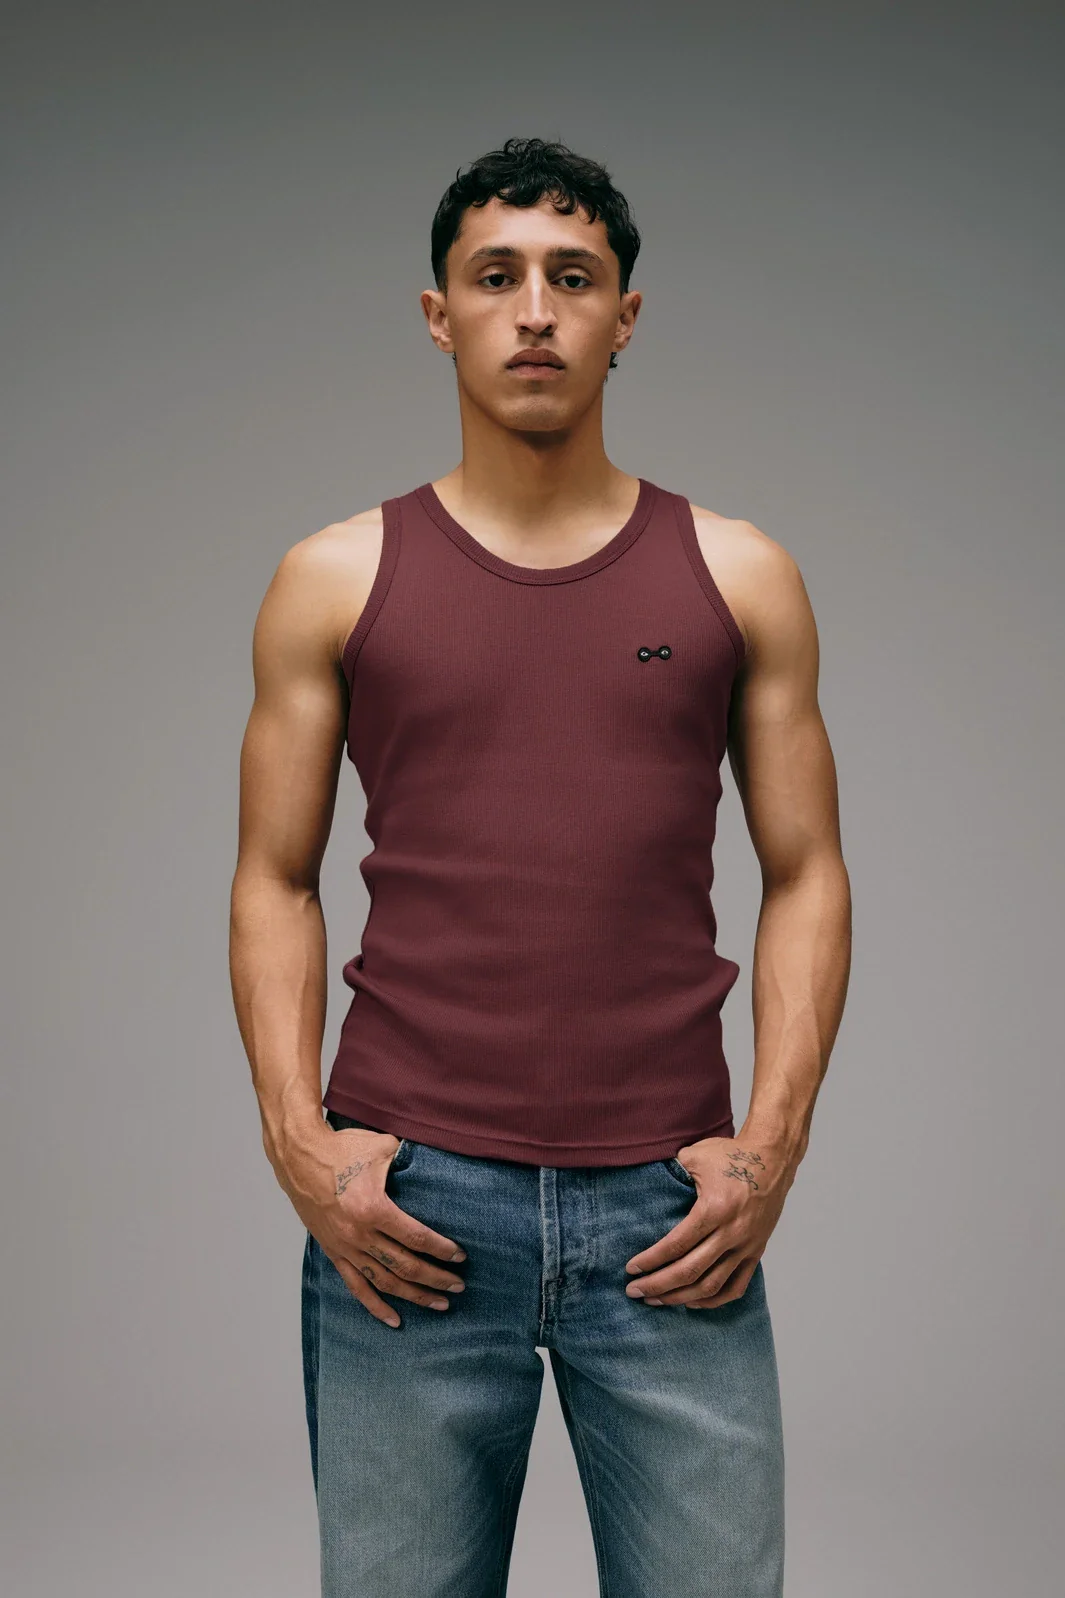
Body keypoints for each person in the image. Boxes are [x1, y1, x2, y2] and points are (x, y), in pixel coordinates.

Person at [229, 135, 851, 1598]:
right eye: (494, 276)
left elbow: (809, 870)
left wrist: (772, 1145)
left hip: (670, 1210)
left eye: (572, 279)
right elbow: (272, 877)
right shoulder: (336, 578)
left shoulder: (739, 574)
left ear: (624, 317)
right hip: (409, 1208)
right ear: (437, 313)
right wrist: (297, 1142)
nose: (533, 312)